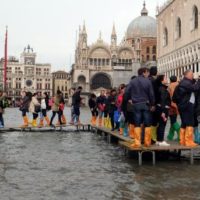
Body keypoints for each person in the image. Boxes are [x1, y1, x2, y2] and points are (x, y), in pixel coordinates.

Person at [125, 67, 155, 147]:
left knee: (137, 123)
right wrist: (152, 104)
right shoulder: (148, 81)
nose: (148, 74)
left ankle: (137, 142)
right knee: (147, 123)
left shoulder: (132, 81)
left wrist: (128, 99)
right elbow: (151, 94)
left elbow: (127, 92)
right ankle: (147, 142)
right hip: (146, 104)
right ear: (143, 72)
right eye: (147, 72)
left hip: (136, 104)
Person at [173, 70, 200, 147]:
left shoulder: (184, 82)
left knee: (184, 123)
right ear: (187, 75)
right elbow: (195, 88)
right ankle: (189, 141)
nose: (193, 76)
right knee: (190, 123)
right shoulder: (185, 83)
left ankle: (182, 140)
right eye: (191, 74)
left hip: (184, 106)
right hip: (187, 106)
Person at [155, 75, 171, 146]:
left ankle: (159, 140)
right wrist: (163, 112)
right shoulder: (162, 89)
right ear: (162, 80)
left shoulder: (160, 88)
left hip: (160, 109)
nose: (166, 79)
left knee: (160, 125)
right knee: (162, 124)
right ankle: (161, 140)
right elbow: (163, 100)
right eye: (165, 78)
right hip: (163, 109)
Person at [167, 76, 180, 141]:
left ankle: (180, 134)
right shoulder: (179, 85)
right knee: (173, 120)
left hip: (172, 105)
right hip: (178, 104)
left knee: (173, 120)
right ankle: (170, 136)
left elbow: (168, 96)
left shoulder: (169, 86)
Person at [149, 66, 158, 143]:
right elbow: (153, 93)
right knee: (153, 121)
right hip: (153, 103)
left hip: (147, 103)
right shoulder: (154, 81)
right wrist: (153, 104)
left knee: (147, 121)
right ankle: (152, 138)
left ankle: (147, 138)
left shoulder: (147, 79)